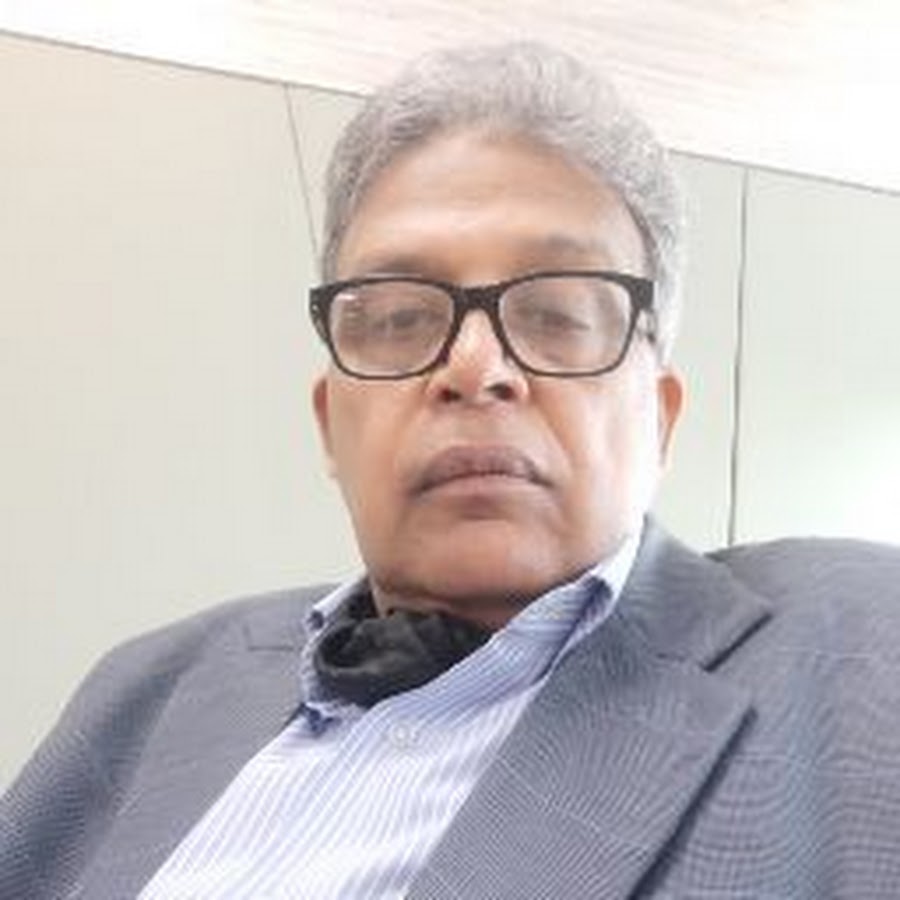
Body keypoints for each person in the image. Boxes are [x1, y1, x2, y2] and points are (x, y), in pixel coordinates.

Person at [3, 42, 900, 900]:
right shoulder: (153, 684)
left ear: (658, 420)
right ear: (329, 423)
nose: (475, 367)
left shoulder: (860, 658)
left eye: (556, 314)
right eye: (400, 318)